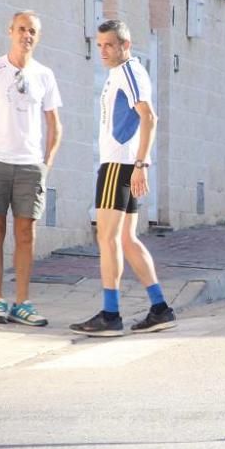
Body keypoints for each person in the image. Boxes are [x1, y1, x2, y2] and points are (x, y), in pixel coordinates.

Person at [69, 20, 176, 337]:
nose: (103, 50)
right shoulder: (119, 73)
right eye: (100, 44)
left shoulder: (129, 71)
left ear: (125, 46)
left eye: (109, 45)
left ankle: (110, 314)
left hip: (119, 165)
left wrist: (141, 163)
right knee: (127, 239)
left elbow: (150, 117)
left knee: (107, 238)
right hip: (123, 164)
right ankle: (160, 308)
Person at [0, 10, 62, 327]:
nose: (27, 35)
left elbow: (54, 125)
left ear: (38, 36)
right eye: (21, 29)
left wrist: (45, 165)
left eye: (32, 30)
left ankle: (23, 303)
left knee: (26, 234)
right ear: (10, 31)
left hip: (30, 166)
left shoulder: (45, 75)